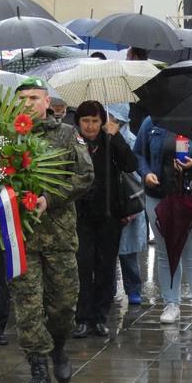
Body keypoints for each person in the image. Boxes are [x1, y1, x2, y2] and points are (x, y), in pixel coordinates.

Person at [12, 76, 94, 383]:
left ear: (47, 102)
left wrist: (51, 197)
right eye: (22, 98)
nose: (28, 104)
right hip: (22, 239)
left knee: (62, 307)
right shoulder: (5, 139)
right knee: (28, 310)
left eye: (34, 97)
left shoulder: (66, 134)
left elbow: (84, 175)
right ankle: (38, 374)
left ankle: (59, 346)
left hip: (58, 236)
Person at [72, 100, 138, 338]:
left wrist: (116, 137)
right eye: (85, 121)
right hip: (80, 215)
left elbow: (131, 164)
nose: (90, 127)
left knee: (105, 267)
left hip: (109, 214)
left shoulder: (109, 141)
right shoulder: (72, 142)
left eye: (95, 121)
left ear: (102, 122)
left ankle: (99, 317)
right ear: (78, 122)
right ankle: (81, 317)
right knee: (82, 265)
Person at [134, 116, 192, 324]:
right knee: (165, 252)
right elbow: (138, 153)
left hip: (189, 195)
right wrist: (146, 173)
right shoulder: (151, 122)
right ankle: (171, 303)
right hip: (158, 196)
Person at [108, 104, 145, 305]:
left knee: (128, 253)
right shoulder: (102, 140)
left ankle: (134, 289)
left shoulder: (131, 141)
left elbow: (138, 174)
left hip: (129, 202)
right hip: (110, 204)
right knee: (108, 252)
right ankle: (110, 288)